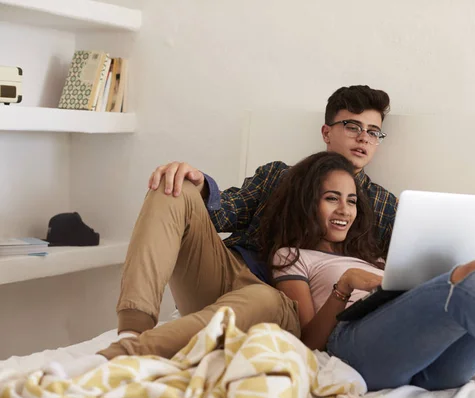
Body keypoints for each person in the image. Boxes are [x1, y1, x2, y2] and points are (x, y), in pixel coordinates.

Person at [262, 151, 475, 398]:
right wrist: (344, 285)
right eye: (331, 199)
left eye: (351, 201)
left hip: (437, 366)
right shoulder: (293, 256)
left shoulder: (375, 257)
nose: (344, 210)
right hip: (363, 349)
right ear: (307, 203)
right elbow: (307, 343)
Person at [98, 85, 398, 359]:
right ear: (326, 132)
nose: (363, 138)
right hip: (222, 272)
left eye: (373, 132)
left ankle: (132, 352)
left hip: (274, 300)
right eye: (352, 126)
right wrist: (199, 183)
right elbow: (222, 212)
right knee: (173, 186)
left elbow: (401, 271)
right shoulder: (278, 176)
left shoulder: (384, 206)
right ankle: (131, 330)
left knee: (263, 298)